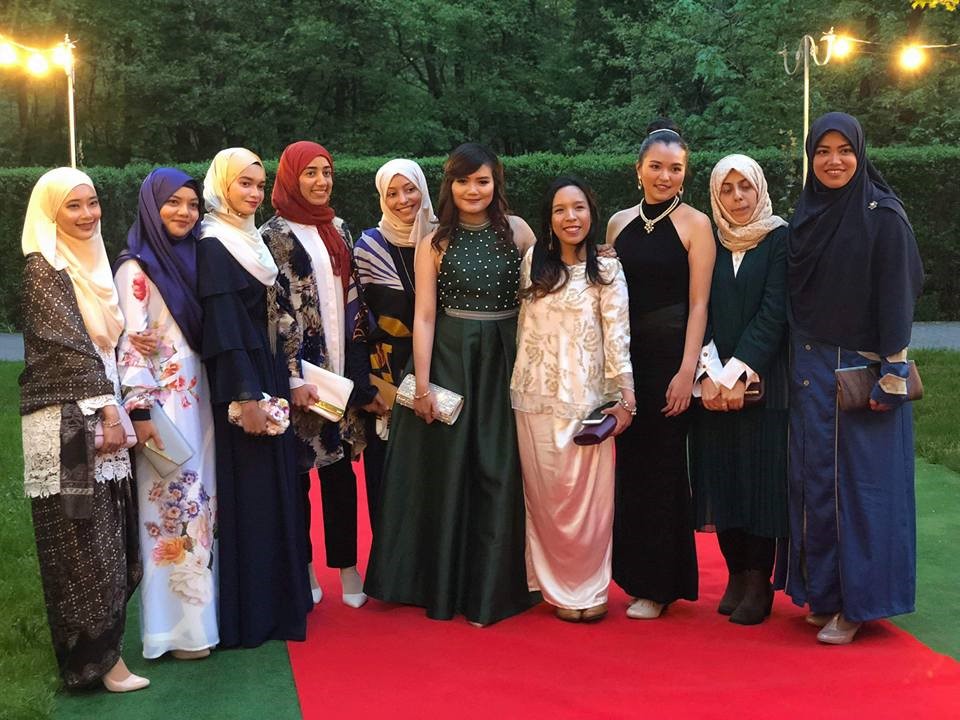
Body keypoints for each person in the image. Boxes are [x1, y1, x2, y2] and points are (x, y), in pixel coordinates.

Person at [365, 142, 539, 626]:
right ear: (450, 186)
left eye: (482, 181)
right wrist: (421, 385)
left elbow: (548, 283)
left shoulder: (519, 231)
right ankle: (442, 584)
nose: (473, 190)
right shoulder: (434, 242)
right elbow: (424, 316)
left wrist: (596, 255)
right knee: (449, 473)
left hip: (506, 358)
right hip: (450, 360)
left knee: (499, 471)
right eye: (463, 181)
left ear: (495, 183)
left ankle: (494, 589)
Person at [785, 112, 923, 644]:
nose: (834, 161)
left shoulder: (882, 216)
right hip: (812, 370)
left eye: (844, 150)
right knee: (818, 487)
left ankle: (859, 604)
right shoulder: (808, 214)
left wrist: (893, 371)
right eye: (822, 151)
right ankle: (826, 595)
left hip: (862, 373)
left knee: (861, 492)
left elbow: (898, 293)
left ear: (860, 154)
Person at [19, 167, 147, 692]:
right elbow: (67, 350)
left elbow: (106, 345)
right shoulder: (44, 268)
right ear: (50, 213)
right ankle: (97, 662)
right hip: (68, 429)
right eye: (73, 206)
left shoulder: (90, 265)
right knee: (83, 540)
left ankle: (97, 656)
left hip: (96, 416)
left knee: (109, 536)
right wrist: (110, 410)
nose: (87, 214)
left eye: (92, 202)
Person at [261, 140, 385, 609]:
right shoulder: (272, 235)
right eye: (309, 173)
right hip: (300, 379)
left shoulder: (339, 228)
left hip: (340, 374)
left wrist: (357, 372)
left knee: (339, 475)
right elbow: (274, 312)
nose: (320, 181)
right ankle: (306, 569)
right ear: (291, 177)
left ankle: (348, 569)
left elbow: (353, 299)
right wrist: (292, 378)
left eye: (326, 172)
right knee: (297, 478)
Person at [197, 147, 311, 647]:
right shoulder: (213, 243)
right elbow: (224, 327)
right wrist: (245, 397)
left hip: (267, 371)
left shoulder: (248, 238)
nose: (254, 193)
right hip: (242, 381)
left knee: (274, 487)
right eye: (244, 183)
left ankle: (279, 604)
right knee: (253, 494)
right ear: (222, 184)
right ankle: (255, 614)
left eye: (260, 185)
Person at [511, 176, 635, 623]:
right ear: (548, 218)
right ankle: (553, 586)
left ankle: (590, 587)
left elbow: (618, 336)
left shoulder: (609, 270)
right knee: (544, 499)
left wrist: (626, 399)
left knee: (590, 504)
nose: (570, 217)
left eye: (579, 208)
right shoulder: (533, 262)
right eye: (560, 210)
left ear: (591, 213)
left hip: (588, 402)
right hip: (533, 400)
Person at [605, 120, 715, 619]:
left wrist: (687, 370)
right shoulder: (618, 223)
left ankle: (662, 584)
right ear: (639, 170)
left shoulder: (696, 224)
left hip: (672, 360)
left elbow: (699, 304)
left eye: (675, 168)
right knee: (630, 469)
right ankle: (633, 577)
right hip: (627, 361)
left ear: (685, 173)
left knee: (665, 470)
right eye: (656, 166)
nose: (665, 176)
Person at [114, 168, 219, 659]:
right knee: (169, 511)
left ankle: (202, 623)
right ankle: (173, 633)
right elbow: (130, 349)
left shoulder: (197, 256)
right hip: (162, 407)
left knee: (201, 511)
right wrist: (140, 413)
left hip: (200, 401)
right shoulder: (136, 267)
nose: (184, 212)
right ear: (151, 207)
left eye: (192, 204)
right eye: (173, 202)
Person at [689, 154, 789, 626]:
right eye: (727, 189)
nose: (737, 197)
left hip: (760, 384)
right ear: (716, 194)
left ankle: (757, 581)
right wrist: (709, 375)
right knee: (721, 479)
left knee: (759, 483)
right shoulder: (708, 238)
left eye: (745, 187)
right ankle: (734, 573)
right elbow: (698, 306)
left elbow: (774, 312)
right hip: (712, 386)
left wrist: (735, 375)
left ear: (759, 189)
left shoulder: (779, 238)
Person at [353, 158, 437, 534]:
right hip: (387, 377)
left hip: (443, 368)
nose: (403, 200)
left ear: (423, 189)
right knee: (389, 475)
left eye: (410, 189)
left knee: (437, 472)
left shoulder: (445, 238)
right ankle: (391, 559)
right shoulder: (368, 247)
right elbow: (357, 319)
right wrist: (365, 384)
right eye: (392, 193)